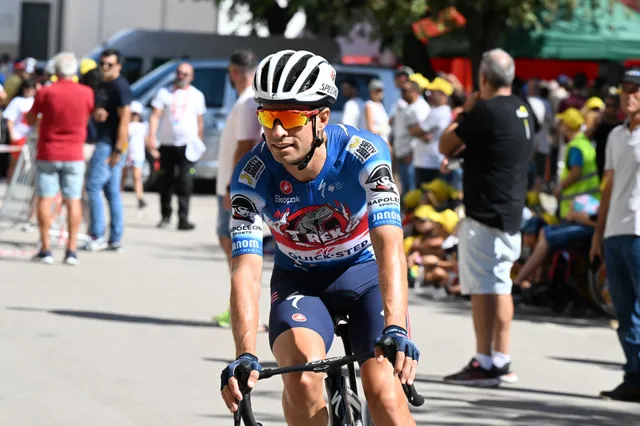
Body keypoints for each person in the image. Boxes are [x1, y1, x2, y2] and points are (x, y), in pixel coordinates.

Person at [219, 49, 419, 426]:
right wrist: (245, 354)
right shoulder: (251, 176)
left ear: (322, 118)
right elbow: (245, 267)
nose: (277, 132)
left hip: (364, 277)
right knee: (303, 378)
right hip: (301, 284)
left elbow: (390, 241)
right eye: (267, 116)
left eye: (291, 117)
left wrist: (395, 325)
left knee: (384, 394)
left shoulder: (365, 154)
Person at [439, 48, 535, 386]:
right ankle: (499, 358)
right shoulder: (524, 108)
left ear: (483, 78)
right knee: (500, 284)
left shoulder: (484, 111)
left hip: (485, 211)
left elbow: (445, 143)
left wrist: (464, 111)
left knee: (485, 289)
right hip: (510, 207)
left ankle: (486, 359)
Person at [590, 68, 640, 403]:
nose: (628, 96)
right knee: (623, 312)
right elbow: (607, 188)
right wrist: (598, 233)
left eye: (635, 90)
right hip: (615, 232)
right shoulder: (615, 135)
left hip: (638, 231)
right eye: (624, 90)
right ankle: (633, 375)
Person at [26, 52, 94, 265]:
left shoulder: (47, 92)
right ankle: (71, 250)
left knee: (45, 198)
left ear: (55, 71)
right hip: (74, 152)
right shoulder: (86, 92)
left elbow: (30, 118)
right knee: (73, 200)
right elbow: (88, 115)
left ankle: (46, 248)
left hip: (49, 150)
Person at [212, 50, 262, 327]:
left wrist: (233, 187)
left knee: (236, 248)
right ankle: (239, 307)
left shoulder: (246, 102)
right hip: (234, 184)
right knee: (230, 243)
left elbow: (245, 146)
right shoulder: (248, 100)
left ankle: (242, 310)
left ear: (234, 72)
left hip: (236, 186)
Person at [84, 49, 133, 252]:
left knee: (93, 187)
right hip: (104, 140)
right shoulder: (103, 84)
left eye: (109, 65)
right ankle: (115, 238)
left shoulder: (120, 87)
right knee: (111, 191)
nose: (104, 68)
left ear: (118, 67)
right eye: (102, 64)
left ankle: (97, 234)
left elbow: (125, 121)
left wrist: (118, 151)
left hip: (110, 144)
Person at [148, 62, 204, 231]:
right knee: (166, 181)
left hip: (187, 145)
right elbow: (154, 116)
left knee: (185, 182)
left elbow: (200, 121)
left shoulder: (197, 95)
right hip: (167, 144)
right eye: (180, 73)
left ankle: (183, 218)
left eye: (186, 74)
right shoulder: (164, 93)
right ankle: (165, 215)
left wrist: (199, 142)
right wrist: (151, 137)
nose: (182, 76)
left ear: (192, 77)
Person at [392, 79, 430, 196]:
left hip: (411, 156)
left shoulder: (420, 108)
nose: (402, 93)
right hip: (403, 154)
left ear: (414, 92)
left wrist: (411, 152)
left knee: (412, 192)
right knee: (406, 189)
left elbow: (424, 134)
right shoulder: (407, 107)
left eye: (405, 90)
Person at [2, 79, 37, 180]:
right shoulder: (17, 101)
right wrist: (12, 134)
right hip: (18, 137)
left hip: (31, 138)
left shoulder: (36, 102)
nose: (29, 91)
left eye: (32, 88)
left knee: (30, 163)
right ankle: (10, 183)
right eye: (28, 88)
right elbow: (10, 119)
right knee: (14, 163)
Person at [122, 100, 148, 208]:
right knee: (122, 176)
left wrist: (153, 151)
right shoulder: (126, 126)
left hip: (138, 155)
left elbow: (146, 140)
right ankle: (118, 195)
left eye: (136, 114)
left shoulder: (143, 126)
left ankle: (140, 197)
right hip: (126, 154)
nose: (134, 116)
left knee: (137, 177)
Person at [364, 79, 391, 143]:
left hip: (384, 141)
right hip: (376, 142)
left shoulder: (380, 105)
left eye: (380, 91)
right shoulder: (369, 105)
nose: (379, 93)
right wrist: (382, 131)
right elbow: (370, 129)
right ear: (371, 92)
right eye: (377, 91)